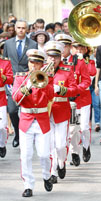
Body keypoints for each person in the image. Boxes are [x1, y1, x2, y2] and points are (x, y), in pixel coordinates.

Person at [12, 49, 54, 198]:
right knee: (26, 155)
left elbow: (50, 96)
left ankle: (46, 175)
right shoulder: (20, 78)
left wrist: (45, 83)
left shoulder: (48, 77)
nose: (34, 66)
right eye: (32, 63)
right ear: (28, 63)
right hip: (26, 119)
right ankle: (28, 185)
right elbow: (15, 98)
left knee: (44, 154)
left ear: (42, 64)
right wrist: (26, 87)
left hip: (42, 119)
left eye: (37, 63)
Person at [44, 41, 78, 184]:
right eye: (50, 57)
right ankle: (52, 172)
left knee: (60, 144)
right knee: (50, 144)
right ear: (46, 57)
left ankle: (62, 163)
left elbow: (75, 90)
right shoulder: (42, 71)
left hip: (61, 110)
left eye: (56, 57)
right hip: (46, 111)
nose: (53, 60)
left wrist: (62, 90)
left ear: (60, 57)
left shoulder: (67, 71)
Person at [56, 34, 92, 165]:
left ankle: (86, 147)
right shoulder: (55, 64)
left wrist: (76, 89)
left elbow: (87, 81)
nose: (63, 49)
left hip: (82, 98)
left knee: (84, 127)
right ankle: (75, 152)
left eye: (65, 46)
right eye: (60, 46)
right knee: (72, 129)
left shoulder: (80, 61)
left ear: (70, 47)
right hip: (67, 101)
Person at [3, 19, 38, 148]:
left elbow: (35, 63)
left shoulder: (33, 44)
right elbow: (5, 62)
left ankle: (26, 135)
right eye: (18, 28)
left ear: (27, 29)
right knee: (12, 110)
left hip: (26, 80)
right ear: (15, 29)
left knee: (26, 110)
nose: (21, 30)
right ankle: (17, 133)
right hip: (12, 82)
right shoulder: (8, 43)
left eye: (23, 28)